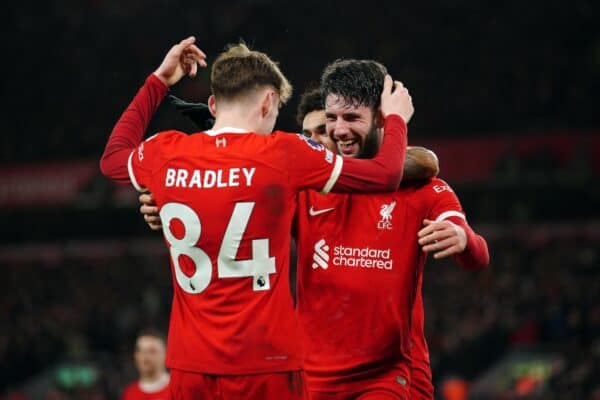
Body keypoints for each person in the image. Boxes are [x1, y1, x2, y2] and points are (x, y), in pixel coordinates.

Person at [100, 37, 414, 399]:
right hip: (267, 364)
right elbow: (386, 174)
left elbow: (112, 159)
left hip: (190, 367)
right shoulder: (283, 152)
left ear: (213, 104)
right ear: (268, 102)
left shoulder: (165, 152)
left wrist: (158, 80)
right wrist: (394, 119)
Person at [290, 59, 489, 400]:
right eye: (332, 119)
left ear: (382, 118)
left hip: (387, 375)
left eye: (351, 118)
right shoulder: (307, 187)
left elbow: (477, 256)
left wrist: (462, 238)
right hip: (311, 378)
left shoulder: (423, 188)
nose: (337, 131)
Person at [122, 330, 169, 400]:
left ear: (166, 355)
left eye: (152, 351)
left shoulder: (177, 390)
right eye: (140, 351)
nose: (145, 357)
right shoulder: (129, 393)